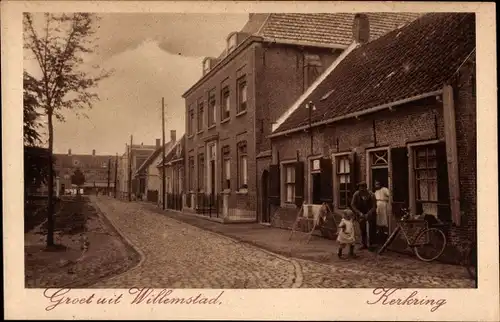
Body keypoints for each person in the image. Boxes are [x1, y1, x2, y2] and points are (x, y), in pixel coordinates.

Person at [351, 181, 377, 250]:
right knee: (362, 229)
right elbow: (353, 205)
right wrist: (359, 213)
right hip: (361, 213)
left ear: (366, 188)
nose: (361, 190)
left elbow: (374, 206)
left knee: (371, 229)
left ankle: (371, 245)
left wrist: (368, 213)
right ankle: (364, 244)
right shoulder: (356, 194)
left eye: (363, 188)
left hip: (370, 213)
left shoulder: (371, 194)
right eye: (360, 188)